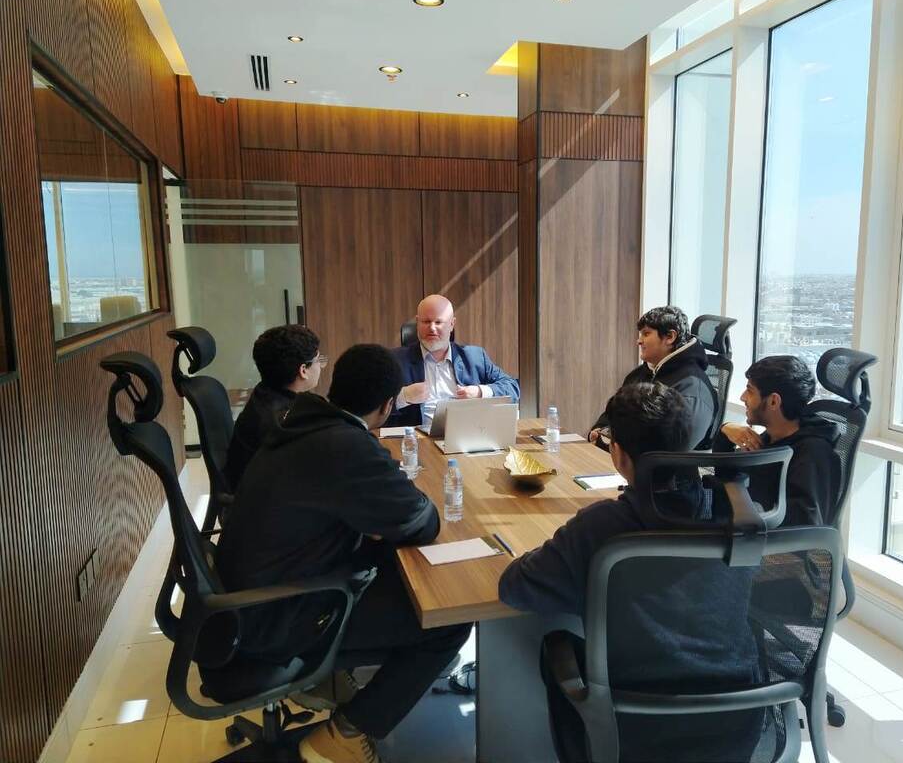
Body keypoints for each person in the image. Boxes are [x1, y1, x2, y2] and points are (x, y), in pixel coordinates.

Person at [216, 344, 472, 763]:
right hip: (276, 616)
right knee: (447, 619)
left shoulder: (302, 422)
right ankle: (345, 736)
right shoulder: (344, 445)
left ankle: (330, 684)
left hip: (249, 597)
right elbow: (422, 521)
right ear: (388, 406)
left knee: (392, 568)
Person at [500, 383, 762, 763]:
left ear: (618, 454)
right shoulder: (736, 515)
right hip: (737, 721)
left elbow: (515, 588)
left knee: (557, 643)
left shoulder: (602, 526)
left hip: (633, 731)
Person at [713, 354, 841, 527]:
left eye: (750, 391)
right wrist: (724, 432)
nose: (743, 397)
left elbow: (805, 522)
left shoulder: (812, 452)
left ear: (774, 401)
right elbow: (725, 477)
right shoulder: (771, 438)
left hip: (764, 538)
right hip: (742, 528)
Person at [589, 306, 716, 451]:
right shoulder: (638, 374)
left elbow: (673, 448)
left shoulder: (693, 390)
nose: (639, 341)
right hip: (620, 457)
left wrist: (609, 442)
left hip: (654, 465)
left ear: (670, 337)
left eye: (646, 334)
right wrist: (599, 429)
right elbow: (616, 411)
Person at [387, 294, 519, 428]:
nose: (432, 328)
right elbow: (375, 404)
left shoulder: (475, 357)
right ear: (417, 323)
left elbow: (513, 388)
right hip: (415, 437)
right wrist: (404, 396)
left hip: (468, 433)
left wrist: (479, 392)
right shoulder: (395, 360)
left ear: (451, 324)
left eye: (438, 322)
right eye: (426, 322)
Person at [223, 324, 325, 491]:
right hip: (266, 500)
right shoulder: (286, 424)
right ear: (303, 370)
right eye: (318, 360)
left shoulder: (265, 391)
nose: (320, 366)